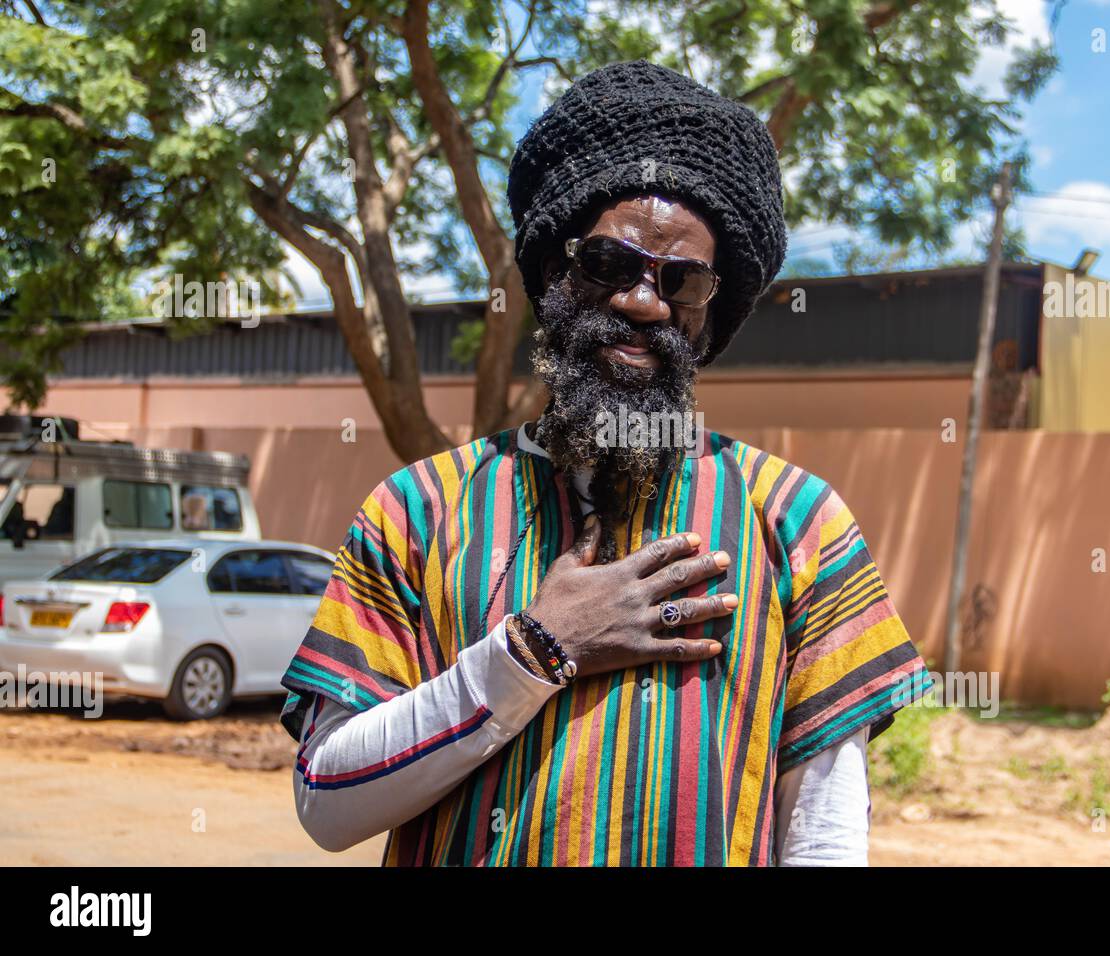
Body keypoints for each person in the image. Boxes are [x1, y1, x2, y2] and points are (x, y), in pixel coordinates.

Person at [278, 59, 931, 867]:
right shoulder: (419, 508)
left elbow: (824, 833)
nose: (642, 301)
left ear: (705, 315)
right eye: (610, 264)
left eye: (681, 281)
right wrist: (534, 651)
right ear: (556, 273)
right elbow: (326, 802)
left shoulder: (796, 519)